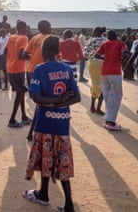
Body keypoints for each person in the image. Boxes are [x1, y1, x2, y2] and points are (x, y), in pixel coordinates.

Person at [23, 36, 80, 212]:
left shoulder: (40, 69)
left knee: (45, 158)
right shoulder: (67, 69)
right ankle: (64, 202)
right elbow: (76, 97)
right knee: (62, 162)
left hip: (45, 122)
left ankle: (43, 194)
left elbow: (36, 97)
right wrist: (61, 102)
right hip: (62, 124)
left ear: (44, 51)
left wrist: (52, 102)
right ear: (58, 51)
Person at [23, 20, 52, 141]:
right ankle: (33, 132)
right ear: (48, 27)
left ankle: (35, 131)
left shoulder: (34, 38)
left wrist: (34, 57)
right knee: (42, 104)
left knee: (39, 103)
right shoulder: (51, 38)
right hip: (43, 72)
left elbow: (25, 54)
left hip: (31, 71)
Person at [95, 30, 128, 131]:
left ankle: (108, 120)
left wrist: (105, 59)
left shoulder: (104, 44)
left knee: (107, 96)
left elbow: (96, 55)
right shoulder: (121, 44)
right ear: (116, 36)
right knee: (116, 96)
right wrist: (121, 59)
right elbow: (125, 54)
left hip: (104, 71)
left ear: (107, 37)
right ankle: (111, 122)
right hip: (115, 72)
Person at [5, 20, 31, 127]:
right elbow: (21, 55)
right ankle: (12, 120)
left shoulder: (11, 37)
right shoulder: (24, 38)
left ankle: (24, 116)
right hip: (18, 69)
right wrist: (32, 57)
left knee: (20, 93)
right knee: (20, 94)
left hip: (10, 68)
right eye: (26, 29)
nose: (27, 31)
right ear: (24, 29)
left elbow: (6, 51)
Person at [83, 26, 107, 114]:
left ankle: (92, 106)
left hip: (92, 64)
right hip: (103, 63)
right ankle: (98, 108)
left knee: (94, 83)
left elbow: (85, 53)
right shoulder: (106, 41)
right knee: (103, 85)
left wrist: (91, 56)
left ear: (96, 32)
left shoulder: (91, 40)